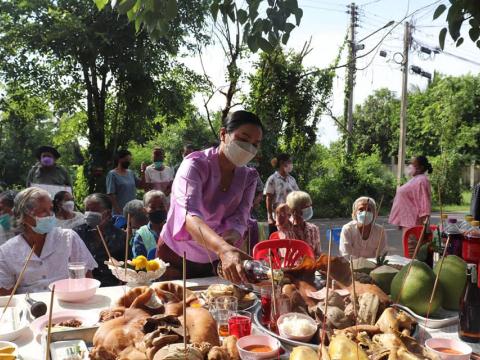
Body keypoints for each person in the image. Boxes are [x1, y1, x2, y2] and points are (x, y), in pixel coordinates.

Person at [157, 110, 263, 283]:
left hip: (215, 257)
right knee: (174, 305)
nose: (248, 148)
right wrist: (223, 248)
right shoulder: (195, 165)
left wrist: (231, 237)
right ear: (223, 134)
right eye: (243, 139)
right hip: (176, 254)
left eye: (255, 144)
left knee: (216, 303)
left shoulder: (249, 177)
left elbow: (241, 217)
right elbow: (189, 215)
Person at [0, 188, 97, 295]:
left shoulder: (68, 238)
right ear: (23, 217)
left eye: (51, 209)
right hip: (31, 307)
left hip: (69, 304)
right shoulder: (7, 251)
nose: (50, 215)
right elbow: (5, 296)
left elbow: (88, 279)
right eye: (42, 211)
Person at [73, 193, 126, 287]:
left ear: (108, 213)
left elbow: (127, 265)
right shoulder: (76, 234)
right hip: (84, 286)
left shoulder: (120, 236)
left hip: (112, 286)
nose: (90, 213)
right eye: (87, 210)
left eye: (95, 210)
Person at [389, 156, 432, 243]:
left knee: (412, 251)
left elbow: (424, 204)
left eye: (413, 164)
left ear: (421, 167)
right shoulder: (415, 179)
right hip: (408, 223)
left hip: (414, 225)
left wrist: (423, 227)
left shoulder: (421, 180)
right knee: (408, 252)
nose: (410, 166)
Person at [264, 153, 299, 235]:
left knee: (290, 241)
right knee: (276, 242)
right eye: (289, 162)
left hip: (290, 218)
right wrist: (270, 217)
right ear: (282, 163)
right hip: (277, 218)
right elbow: (269, 198)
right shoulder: (272, 179)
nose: (291, 164)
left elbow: (297, 196)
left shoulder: (292, 179)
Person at [280, 191, 321, 257]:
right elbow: (285, 255)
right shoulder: (285, 229)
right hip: (291, 266)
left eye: (309, 205)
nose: (308, 208)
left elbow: (318, 254)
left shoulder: (314, 229)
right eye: (304, 206)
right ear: (293, 209)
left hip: (311, 265)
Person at [106, 149, 144, 215]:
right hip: (120, 212)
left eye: (129, 160)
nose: (128, 162)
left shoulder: (131, 173)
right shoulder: (112, 174)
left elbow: (141, 185)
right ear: (120, 159)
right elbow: (111, 195)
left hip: (132, 211)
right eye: (126, 160)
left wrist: (143, 172)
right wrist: (118, 211)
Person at [132, 191, 167, 259]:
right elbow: (139, 262)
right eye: (153, 207)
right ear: (145, 211)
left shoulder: (174, 230)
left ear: (167, 207)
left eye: (161, 206)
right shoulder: (141, 235)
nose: (158, 210)